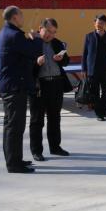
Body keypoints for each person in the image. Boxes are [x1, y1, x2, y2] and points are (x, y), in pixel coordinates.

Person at [0, 5, 42, 173]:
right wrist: (36, 38)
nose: (23, 18)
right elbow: (34, 51)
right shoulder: (14, 35)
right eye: (21, 15)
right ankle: (14, 164)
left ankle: (14, 159)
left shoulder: (3, 34)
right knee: (15, 127)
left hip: (8, 84)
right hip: (14, 86)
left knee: (11, 126)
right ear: (14, 17)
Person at [29, 18, 72, 161]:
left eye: (53, 32)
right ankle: (36, 151)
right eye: (48, 31)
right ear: (40, 28)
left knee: (55, 118)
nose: (50, 35)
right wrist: (36, 63)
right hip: (39, 86)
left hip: (56, 84)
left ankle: (55, 147)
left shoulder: (57, 43)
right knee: (37, 120)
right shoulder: (31, 42)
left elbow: (66, 60)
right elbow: (23, 64)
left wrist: (61, 58)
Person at [82, 13, 106, 121]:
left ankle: (104, 111)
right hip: (92, 70)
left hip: (105, 69)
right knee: (95, 92)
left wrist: (103, 35)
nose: (99, 25)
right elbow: (85, 53)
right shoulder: (89, 36)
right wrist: (84, 69)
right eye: (98, 23)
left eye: (102, 23)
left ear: (105, 24)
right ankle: (99, 114)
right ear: (94, 23)